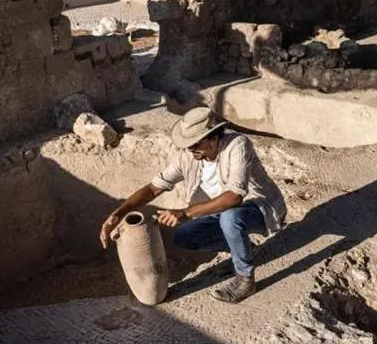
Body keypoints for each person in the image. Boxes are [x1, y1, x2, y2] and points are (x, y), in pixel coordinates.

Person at [99, 107, 287, 303]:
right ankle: (244, 249)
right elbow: (154, 188)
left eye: (196, 144)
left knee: (230, 218)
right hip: (221, 212)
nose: (191, 149)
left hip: (260, 208)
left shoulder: (237, 145)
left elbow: (234, 197)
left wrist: (185, 212)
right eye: (188, 145)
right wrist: (119, 213)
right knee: (184, 236)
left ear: (214, 138)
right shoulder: (188, 156)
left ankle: (245, 279)